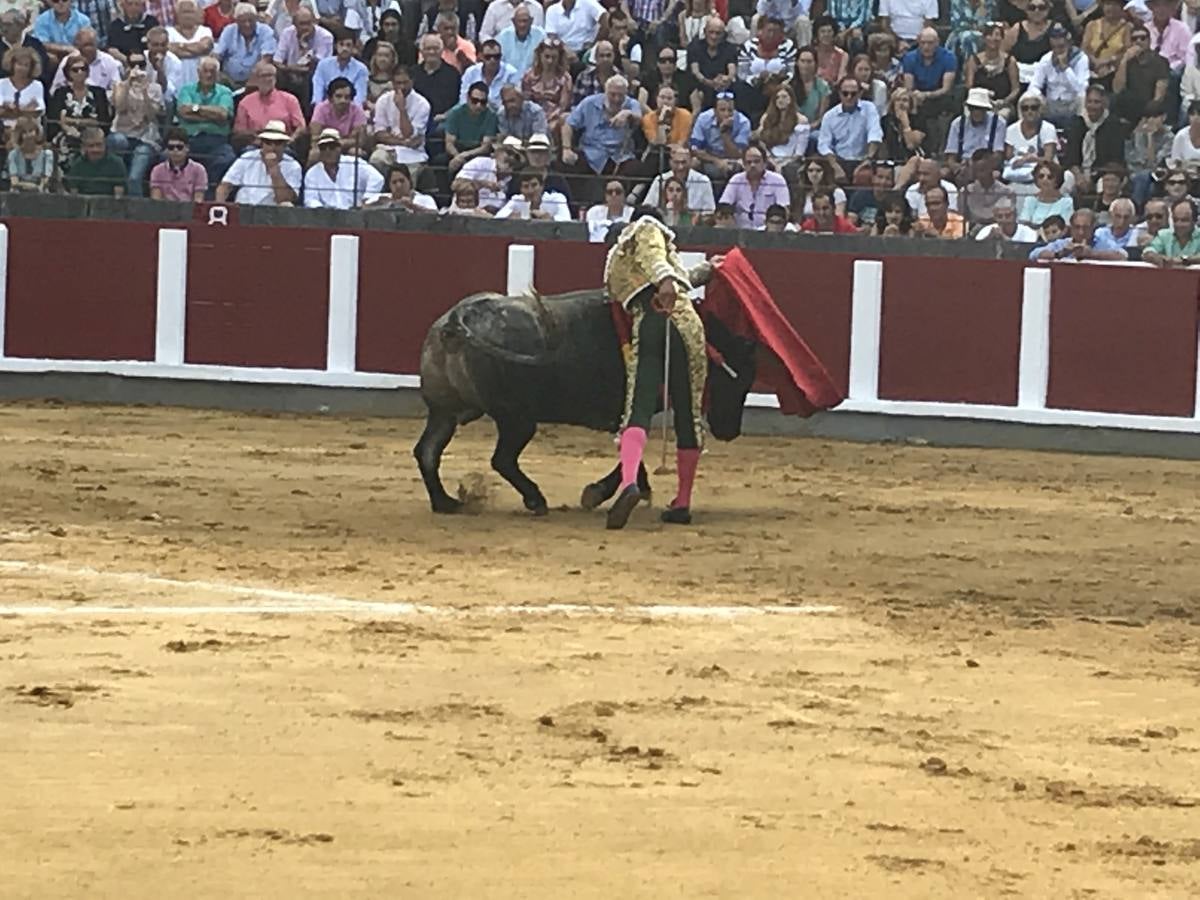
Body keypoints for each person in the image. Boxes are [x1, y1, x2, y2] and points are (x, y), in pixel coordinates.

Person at [602, 207, 710, 529]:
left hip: (651, 321)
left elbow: (660, 265)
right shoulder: (650, 230)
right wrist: (665, 278)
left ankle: (630, 481)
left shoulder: (626, 250)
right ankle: (683, 501)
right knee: (688, 414)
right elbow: (660, 263)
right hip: (686, 325)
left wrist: (686, 274)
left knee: (638, 409)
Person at [107, 50, 164, 196]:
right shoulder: (119, 86)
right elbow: (120, 107)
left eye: (141, 64)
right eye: (133, 64)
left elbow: (152, 116)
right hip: (122, 134)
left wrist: (145, 92)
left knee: (134, 178)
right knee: (117, 141)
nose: (137, 68)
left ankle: (137, 211)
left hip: (145, 139)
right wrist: (127, 84)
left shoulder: (155, 88)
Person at [176, 55, 235, 189]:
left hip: (216, 141)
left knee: (227, 159)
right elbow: (184, 113)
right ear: (198, 72)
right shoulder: (186, 89)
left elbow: (223, 115)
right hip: (189, 140)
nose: (208, 75)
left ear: (218, 74)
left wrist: (195, 109)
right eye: (205, 71)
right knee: (164, 157)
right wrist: (212, 115)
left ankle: (209, 195)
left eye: (212, 72)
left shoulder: (225, 92)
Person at [46, 52, 110, 171]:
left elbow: (102, 120)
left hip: (94, 134)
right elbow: (57, 120)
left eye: (83, 69)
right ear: (68, 73)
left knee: (94, 141)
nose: (80, 72)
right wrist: (86, 121)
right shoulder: (60, 93)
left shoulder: (98, 93)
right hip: (66, 133)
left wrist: (72, 120)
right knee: (63, 141)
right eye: (75, 70)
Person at [215, 118, 303, 204]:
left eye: (278, 143)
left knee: (286, 204)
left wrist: (274, 169)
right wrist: (221, 206)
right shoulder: (247, 158)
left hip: (273, 213)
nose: (273, 147)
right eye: (268, 142)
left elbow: (284, 198)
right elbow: (225, 186)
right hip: (243, 207)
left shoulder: (293, 165)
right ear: (262, 143)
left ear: (284, 145)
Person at [1027, 23, 1089, 127]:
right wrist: (1040, 97)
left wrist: (1066, 69)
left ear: (1069, 44)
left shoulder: (1081, 59)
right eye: (1054, 47)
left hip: (1072, 103)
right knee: (1027, 98)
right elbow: (1034, 85)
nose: (1057, 51)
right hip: (1050, 104)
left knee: (1082, 98)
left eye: (1061, 47)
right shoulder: (1046, 59)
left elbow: (1081, 88)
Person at [817, 75, 881, 176]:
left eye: (853, 94)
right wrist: (835, 166)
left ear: (860, 93)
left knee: (864, 175)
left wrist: (868, 159)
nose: (849, 97)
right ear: (839, 93)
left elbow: (875, 134)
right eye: (845, 93)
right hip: (839, 160)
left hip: (863, 159)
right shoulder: (829, 116)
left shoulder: (869, 108)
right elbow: (823, 145)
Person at [303, 126, 383, 207]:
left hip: (355, 214)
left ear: (340, 148)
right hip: (326, 216)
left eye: (332, 147)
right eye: (323, 148)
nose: (328, 151)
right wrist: (320, 209)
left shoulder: (355, 163)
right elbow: (310, 199)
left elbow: (377, 178)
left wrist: (367, 199)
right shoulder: (312, 173)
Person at [943, 87, 1007, 182]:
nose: (977, 112)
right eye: (973, 108)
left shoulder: (998, 123)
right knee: (945, 173)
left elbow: (998, 156)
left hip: (987, 166)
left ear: (986, 109)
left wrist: (979, 168)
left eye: (980, 108)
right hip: (963, 165)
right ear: (968, 108)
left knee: (995, 175)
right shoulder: (957, 124)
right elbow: (951, 157)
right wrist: (958, 168)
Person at [719, 143, 790, 228]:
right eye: (748, 162)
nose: (752, 165)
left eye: (756, 161)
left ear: (765, 163)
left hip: (768, 230)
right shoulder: (736, 179)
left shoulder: (778, 180)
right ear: (744, 165)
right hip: (740, 230)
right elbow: (724, 206)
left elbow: (784, 210)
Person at [965, 21, 1019, 121]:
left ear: (1002, 38)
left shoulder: (1010, 61)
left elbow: (1015, 89)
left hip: (1001, 105)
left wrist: (1003, 101)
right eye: (990, 35)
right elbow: (969, 86)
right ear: (984, 38)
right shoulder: (974, 60)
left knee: (1000, 117)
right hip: (977, 104)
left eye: (997, 35)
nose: (993, 38)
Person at [214, 2, 277, 87]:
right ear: (236, 21)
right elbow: (217, 55)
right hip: (228, 80)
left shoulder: (266, 31)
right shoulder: (229, 30)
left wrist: (251, 81)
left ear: (256, 19)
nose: (247, 24)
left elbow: (266, 59)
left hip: (256, 81)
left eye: (250, 20)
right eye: (243, 21)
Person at [1028, 207, 1128, 260]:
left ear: (1093, 228)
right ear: (1071, 228)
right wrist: (1060, 254)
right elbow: (1034, 255)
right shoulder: (1063, 244)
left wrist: (1093, 254)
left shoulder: (1102, 243)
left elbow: (1123, 255)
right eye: (1077, 227)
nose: (1081, 232)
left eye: (1086, 228)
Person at [444, 79, 499, 174]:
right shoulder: (456, 113)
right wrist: (457, 156)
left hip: (478, 152)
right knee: (441, 162)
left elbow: (485, 147)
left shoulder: (491, 116)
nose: (478, 105)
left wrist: (465, 155)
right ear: (467, 98)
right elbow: (449, 143)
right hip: (458, 149)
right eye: (475, 101)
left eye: (483, 102)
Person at [642, 144, 716, 213]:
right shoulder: (660, 180)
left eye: (684, 162)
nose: (680, 167)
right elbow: (647, 207)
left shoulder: (703, 181)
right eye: (676, 162)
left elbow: (709, 211)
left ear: (690, 161)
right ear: (670, 162)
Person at [65, 125, 126, 194]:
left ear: (105, 144)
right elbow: (74, 196)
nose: (96, 149)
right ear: (84, 147)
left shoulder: (117, 163)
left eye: (99, 145)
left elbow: (118, 198)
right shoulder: (77, 164)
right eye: (91, 146)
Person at [149, 126, 206, 200]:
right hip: (164, 210)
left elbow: (198, 200)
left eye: (179, 147)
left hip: (189, 209)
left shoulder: (199, 170)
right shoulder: (157, 170)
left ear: (187, 148)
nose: (175, 150)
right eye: (171, 147)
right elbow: (156, 201)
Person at [494, 167, 570, 219]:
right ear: (521, 189)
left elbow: (567, 220)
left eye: (534, 185)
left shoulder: (556, 198)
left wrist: (549, 218)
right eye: (526, 186)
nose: (530, 190)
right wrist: (510, 217)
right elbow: (498, 219)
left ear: (542, 186)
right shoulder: (517, 199)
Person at [0, 46, 45, 132]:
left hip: (29, 129)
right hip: (3, 128)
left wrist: (10, 110)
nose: (21, 68)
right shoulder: (1, 83)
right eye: (19, 64)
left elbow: (37, 112)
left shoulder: (37, 85)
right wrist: (24, 110)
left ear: (31, 68)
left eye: (26, 65)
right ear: (12, 64)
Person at [1142, 197, 1199, 264]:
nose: (1179, 224)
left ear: (1195, 221)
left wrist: (1185, 260)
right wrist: (1160, 259)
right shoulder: (1163, 235)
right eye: (1175, 220)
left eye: (1184, 220)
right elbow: (1148, 252)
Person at [6, 118, 56, 191]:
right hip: (17, 195)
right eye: (24, 132)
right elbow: (14, 182)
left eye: (31, 131)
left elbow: (45, 181)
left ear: (37, 132)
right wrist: (30, 186)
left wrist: (37, 188)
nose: (28, 135)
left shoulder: (47, 154)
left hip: (41, 196)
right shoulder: (13, 154)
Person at [364, 161, 438, 209]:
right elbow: (361, 209)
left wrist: (412, 206)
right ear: (389, 185)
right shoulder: (379, 198)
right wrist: (378, 204)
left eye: (402, 181)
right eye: (394, 182)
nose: (398, 185)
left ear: (409, 181)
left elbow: (436, 216)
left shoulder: (425, 199)